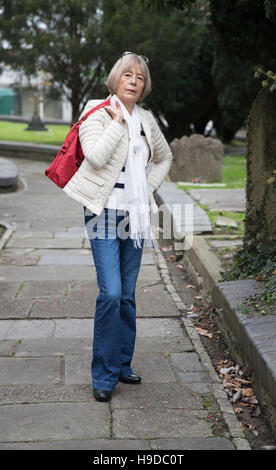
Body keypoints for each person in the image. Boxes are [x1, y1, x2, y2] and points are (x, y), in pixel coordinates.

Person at [63, 52, 173, 402]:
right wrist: (116, 123)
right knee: (110, 293)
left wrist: (150, 186)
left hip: (135, 215)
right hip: (103, 213)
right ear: (116, 78)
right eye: (128, 75)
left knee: (126, 294)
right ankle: (104, 374)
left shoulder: (147, 120)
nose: (134, 81)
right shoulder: (97, 111)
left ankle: (122, 363)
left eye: (140, 78)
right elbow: (94, 156)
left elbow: (165, 156)